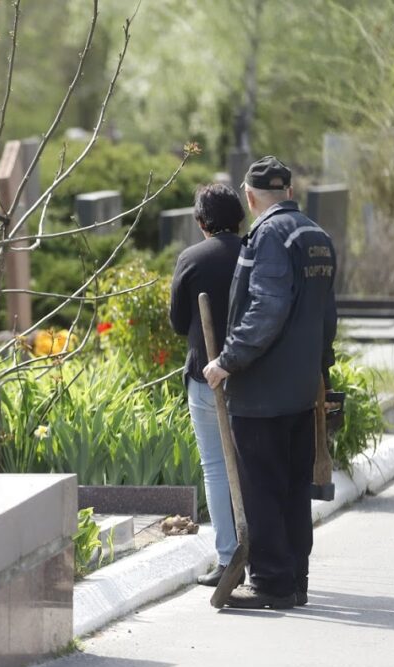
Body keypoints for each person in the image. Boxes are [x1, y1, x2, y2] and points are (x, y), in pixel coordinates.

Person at [203, 156, 337, 609]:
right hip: (301, 389)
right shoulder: (315, 236)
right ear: (291, 192)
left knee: (261, 486)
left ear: (250, 196)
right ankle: (294, 579)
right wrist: (322, 370)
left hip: (263, 391)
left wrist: (227, 360)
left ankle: (273, 584)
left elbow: (267, 308)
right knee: (294, 487)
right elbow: (326, 318)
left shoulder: (269, 235)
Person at [169, 183, 246, 587]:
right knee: (254, 467)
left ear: (201, 223)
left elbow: (179, 322)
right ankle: (263, 555)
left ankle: (229, 557)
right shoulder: (255, 252)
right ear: (241, 217)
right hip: (254, 378)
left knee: (216, 468)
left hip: (205, 376)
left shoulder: (192, 258)